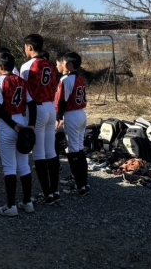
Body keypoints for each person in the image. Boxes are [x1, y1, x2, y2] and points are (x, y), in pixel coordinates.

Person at [0, 51, 37, 216]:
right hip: (22, 120)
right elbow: (32, 104)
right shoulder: (22, 81)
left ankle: (11, 206)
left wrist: (13, 125)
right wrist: (31, 125)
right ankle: (27, 202)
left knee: (9, 166)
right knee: (24, 164)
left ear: (0, 66)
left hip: (8, 124)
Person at [20, 33, 60, 205]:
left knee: (39, 153)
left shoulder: (27, 66)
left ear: (29, 47)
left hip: (37, 108)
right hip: (51, 106)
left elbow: (23, 91)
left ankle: (47, 194)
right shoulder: (50, 64)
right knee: (51, 150)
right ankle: (55, 190)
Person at [55, 51, 90, 195]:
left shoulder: (66, 79)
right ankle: (83, 182)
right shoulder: (79, 78)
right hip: (81, 114)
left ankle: (80, 186)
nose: (59, 65)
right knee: (79, 148)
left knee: (73, 150)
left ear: (68, 65)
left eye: (61, 63)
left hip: (72, 115)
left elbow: (61, 101)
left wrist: (58, 117)